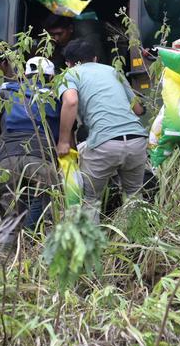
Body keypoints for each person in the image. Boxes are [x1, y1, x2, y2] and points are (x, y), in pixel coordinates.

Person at [56, 38, 147, 218]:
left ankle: (94, 245)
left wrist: (63, 141)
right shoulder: (113, 71)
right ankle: (138, 243)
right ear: (95, 58)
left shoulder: (70, 74)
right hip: (137, 139)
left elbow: (71, 101)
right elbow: (137, 109)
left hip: (105, 143)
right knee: (134, 195)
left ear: (68, 63)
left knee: (91, 199)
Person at [0, 56, 61, 231]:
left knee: (10, 221)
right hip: (40, 161)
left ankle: (13, 245)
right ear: (52, 78)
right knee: (44, 219)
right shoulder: (57, 97)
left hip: (6, 160)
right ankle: (29, 240)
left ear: (24, 74)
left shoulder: (7, 90)